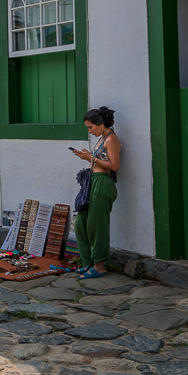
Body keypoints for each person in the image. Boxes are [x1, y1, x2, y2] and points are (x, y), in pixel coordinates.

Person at [72, 106, 120, 280]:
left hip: (102, 183)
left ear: (100, 123)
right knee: (81, 224)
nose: (90, 131)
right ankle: (88, 262)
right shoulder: (102, 139)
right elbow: (98, 161)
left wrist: (90, 158)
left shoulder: (112, 139)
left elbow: (114, 166)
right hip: (92, 182)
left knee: (97, 225)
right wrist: (86, 156)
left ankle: (99, 266)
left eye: (91, 127)